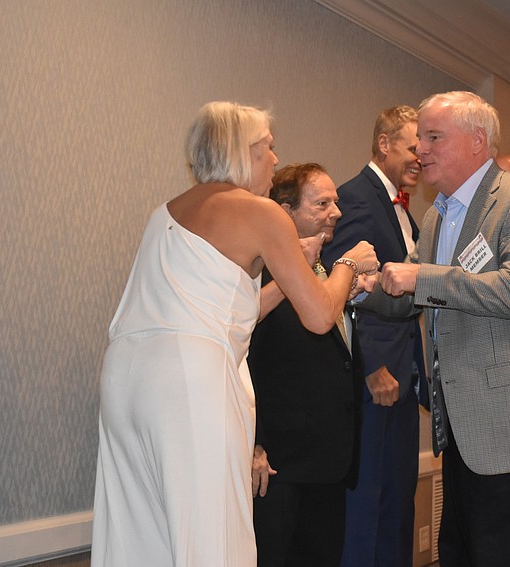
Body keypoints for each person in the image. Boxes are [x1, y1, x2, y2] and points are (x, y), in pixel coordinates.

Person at [91, 102, 377, 567]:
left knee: (144, 531)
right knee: (211, 530)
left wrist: (293, 271)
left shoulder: (166, 212)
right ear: (241, 152)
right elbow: (321, 316)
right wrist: (347, 264)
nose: (276, 159)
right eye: (268, 147)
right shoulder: (261, 212)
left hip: (127, 380)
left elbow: (229, 314)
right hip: (190, 384)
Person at [373, 91, 510, 566]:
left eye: (433, 137)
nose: (420, 149)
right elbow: (419, 297)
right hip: (459, 428)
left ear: (477, 141)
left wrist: (421, 277)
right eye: (419, 138)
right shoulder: (436, 216)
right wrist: (360, 288)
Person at [321, 105, 424, 567]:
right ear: (384, 144)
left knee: (397, 508)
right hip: (375, 381)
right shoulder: (358, 199)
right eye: (413, 147)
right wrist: (369, 367)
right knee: (367, 512)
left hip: (402, 377)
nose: (421, 157)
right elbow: (340, 291)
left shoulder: (399, 205)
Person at [247, 163, 364, 566]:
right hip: (278, 466)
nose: (336, 212)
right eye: (322, 204)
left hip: (328, 462)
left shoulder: (323, 270)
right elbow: (240, 358)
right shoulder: (256, 274)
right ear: (286, 212)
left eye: (336, 202)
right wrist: (253, 443)